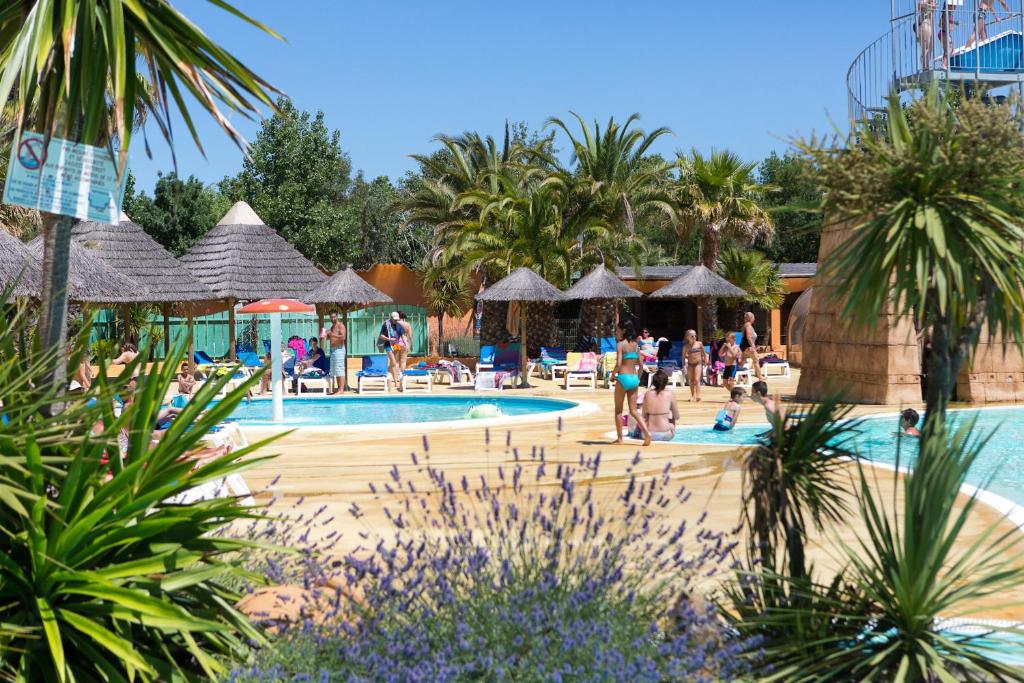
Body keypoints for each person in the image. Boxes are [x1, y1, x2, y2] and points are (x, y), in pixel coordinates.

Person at [612, 320, 651, 446]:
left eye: (618, 329)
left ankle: (620, 439)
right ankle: (647, 433)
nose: (616, 332)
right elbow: (641, 365)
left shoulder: (620, 344)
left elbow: (618, 364)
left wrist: (613, 375)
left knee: (618, 410)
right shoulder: (636, 345)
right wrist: (638, 378)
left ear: (623, 330)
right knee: (633, 410)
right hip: (634, 378)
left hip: (623, 377)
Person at [633, 369, 678, 441]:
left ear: (653, 382)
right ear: (666, 382)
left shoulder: (647, 394)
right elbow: (677, 416)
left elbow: (644, 415)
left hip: (647, 434)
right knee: (672, 419)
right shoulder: (670, 394)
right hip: (664, 434)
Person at [378, 312, 404, 390]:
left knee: (394, 363)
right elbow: (381, 336)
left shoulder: (398, 325)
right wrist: (389, 339)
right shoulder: (386, 325)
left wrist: (405, 343)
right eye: (394, 320)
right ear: (391, 318)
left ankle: (387, 375)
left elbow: (402, 335)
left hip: (396, 345)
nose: (396, 321)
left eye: (397, 320)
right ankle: (396, 382)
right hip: (388, 345)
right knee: (393, 362)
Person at [325, 311, 347, 394]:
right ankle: (339, 389)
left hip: (339, 349)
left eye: (334, 317)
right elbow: (331, 337)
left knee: (340, 369)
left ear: (337, 316)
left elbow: (343, 337)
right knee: (336, 370)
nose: (333, 318)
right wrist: (326, 335)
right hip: (333, 350)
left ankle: (341, 389)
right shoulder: (332, 327)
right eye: (331, 317)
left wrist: (331, 334)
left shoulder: (340, 325)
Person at [683, 329, 707, 402]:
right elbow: (683, 357)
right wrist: (684, 365)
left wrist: (705, 361)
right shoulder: (686, 347)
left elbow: (704, 353)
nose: (694, 337)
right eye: (692, 336)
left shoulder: (699, 344)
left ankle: (698, 396)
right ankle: (692, 395)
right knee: (691, 380)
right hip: (690, 364)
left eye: (695, 335)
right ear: (688, 337)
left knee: (697, 380)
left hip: (698, 363)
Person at [740, 312, 762, 380]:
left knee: (743, 361)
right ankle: (760, 377)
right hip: (748, 346)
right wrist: (753, 347)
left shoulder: (745, 325)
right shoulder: (748, 326)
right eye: (753, 317)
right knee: (756, 361)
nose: (754, 319)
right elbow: (749, 337)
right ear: (750, 318)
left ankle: (738, 375)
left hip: (744, 346)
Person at [917, 0, 936, 71]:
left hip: (929, 23)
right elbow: (919, 5)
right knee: (926, 46)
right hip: (925, 22)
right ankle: (925, 67)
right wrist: (929, 5)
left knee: (930, 47)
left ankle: (926, 66)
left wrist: (932, 6)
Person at [396, 311, 413, 376]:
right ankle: (402, 376)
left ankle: (396, 377)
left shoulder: (395, 324)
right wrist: (411, 345)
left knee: (396, 361)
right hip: (405, 343)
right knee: (403, 361)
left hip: (396, 343)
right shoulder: (407, 324)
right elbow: (410, 336)